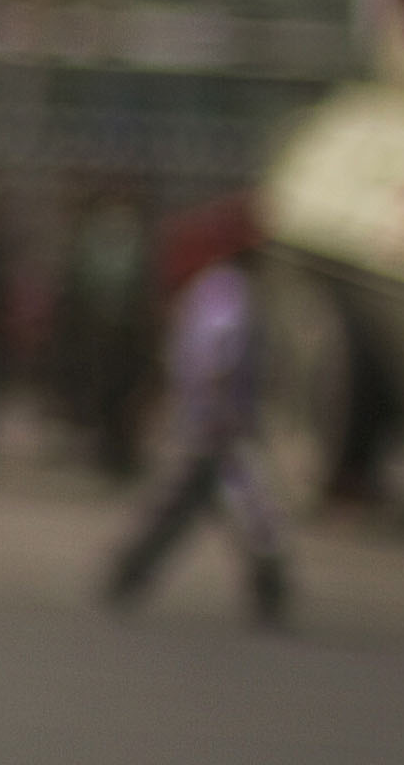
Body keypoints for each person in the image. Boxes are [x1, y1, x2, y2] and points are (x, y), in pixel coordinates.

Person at [103, 250, 291, 627]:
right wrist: (223, 409)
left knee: (185, 505)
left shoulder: (208, 289)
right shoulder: (230, 291)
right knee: (245, 508)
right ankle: (267, 582)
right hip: (218, 425)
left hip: (204, 421)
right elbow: (221, 353)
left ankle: (130, 571)